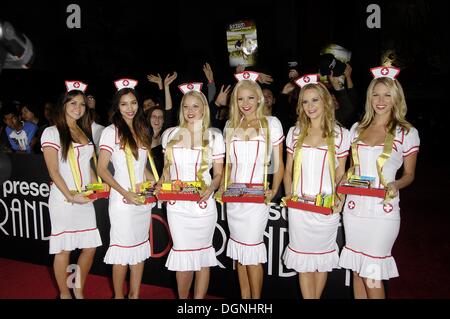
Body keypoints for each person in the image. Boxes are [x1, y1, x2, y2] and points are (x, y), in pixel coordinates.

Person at [338, 66, 420, 299]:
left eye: (387, 95)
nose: (380, 100)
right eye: (376, 94)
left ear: (396, 98)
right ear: (369, 97)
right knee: (357, 271)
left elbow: (409, 174)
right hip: (354, 209)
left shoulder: (407, 132)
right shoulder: (357, 128)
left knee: (371, 273)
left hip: (383, 212)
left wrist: (395, 185)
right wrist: (342, 186)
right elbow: (353, 168)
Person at [282, 74, 350, 299]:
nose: (310, 106)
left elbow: (341, 173)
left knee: (321, 261)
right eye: (305, 101)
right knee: (303, 262)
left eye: (315, 100)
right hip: (299, 209)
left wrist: (339, 198)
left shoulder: (341, 134)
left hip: (326, 206)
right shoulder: (294, 133)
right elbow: (288, 170)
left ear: (325, 101)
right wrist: (291, 196)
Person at [158, 83, 224, 299]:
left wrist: (211, 188)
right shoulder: (170, 134)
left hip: (203, 206)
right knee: (183, 259)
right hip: (177, 208)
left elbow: (218, 175)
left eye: (195, 106)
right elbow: (166, 172)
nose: (190, 111)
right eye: (186, 106)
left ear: (204, 108)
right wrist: (161, 184)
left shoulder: (214, 136)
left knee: (203, 258)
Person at [222, 71, 284, 299]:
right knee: (239, 252)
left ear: (259, 98)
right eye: (240, 98)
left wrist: (273, 190)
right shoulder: (230, 124)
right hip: (235, 198)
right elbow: (229, 164)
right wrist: (223, 188)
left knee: (253, 252)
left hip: (258, 198)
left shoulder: (272, 123)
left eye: (250, 97)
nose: (245, 103)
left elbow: (280, 164)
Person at [41, 81, 102, 299]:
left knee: (90, 248)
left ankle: (78, 289)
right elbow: (53, 171)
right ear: (63, 104)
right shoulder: (51, 132)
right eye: (73, 103)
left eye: (82, 104)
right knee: (64, 249)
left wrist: (97, 187)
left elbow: (88, 164)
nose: (78, 108)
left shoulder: (84, 130)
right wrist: (70, 196)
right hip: (64, 200)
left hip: (84, 199)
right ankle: (65, 293)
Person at [97, 78, 157, 299]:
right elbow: (102, 169)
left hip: (141, 200)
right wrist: (125, 193)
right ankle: (119, 297)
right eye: (124, 104)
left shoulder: (142, 128)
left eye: (133, 103)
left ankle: (135, 295)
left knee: (140, 250)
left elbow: (142, 168)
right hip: (122, 202)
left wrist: (155, 184)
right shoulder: (110, 131)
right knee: (122, 253)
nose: (130, 108)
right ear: (117, 107)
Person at [147, 72, 177, 176]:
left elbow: (168, 111)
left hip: (161, 181)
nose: (157, 120)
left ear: (164, 120)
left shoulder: (165, 135)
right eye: (154, 117)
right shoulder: (142, 135)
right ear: (149, 118)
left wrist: (166, 87)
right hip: (144, 181)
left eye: (160, 117)